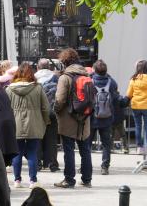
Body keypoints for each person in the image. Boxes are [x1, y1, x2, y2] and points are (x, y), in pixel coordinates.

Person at [6, 63, 50, 188]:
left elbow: (5, 108)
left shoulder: (9, 89)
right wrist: (45, 122)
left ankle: (17, 180)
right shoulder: (37, 88)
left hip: (15, 125)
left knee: (17, 153)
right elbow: (46, 108)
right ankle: (33, 181)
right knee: (32, 153)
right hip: (34, 124)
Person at [53, 48, 93, 189]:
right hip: (85, 120)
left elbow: (60, 99)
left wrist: (56, 111)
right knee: (85, 150)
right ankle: (87, 179)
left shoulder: (65, 77)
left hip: (68, 119)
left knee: (68, 150)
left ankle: (69, 180)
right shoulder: (87, 75)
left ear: (64, 62)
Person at [88, 59, 120, 175]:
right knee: (106, 144)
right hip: (107, 118)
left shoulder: (90, 81)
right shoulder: (111, 82)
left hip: (92, 117)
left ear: (94, 70)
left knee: (87, 144)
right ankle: (105, 167)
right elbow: (116, 97)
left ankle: (86, 167)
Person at [126, 60, 147, 155]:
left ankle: (139, 147)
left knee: (138, 126)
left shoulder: (134, 79)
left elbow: (128, 94)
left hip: (135, 106)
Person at [36, 58, 60, 172]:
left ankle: (37, 163)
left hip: (38, 112)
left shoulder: (34, 78)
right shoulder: (56, 77)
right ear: (49, 67)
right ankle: (52, 163)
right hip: (53, 112)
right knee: (52, 139)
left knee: (37, 138)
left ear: (38, 67)